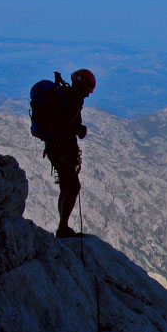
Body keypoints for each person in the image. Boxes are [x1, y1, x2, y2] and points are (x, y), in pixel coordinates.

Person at [44, 68, 96, 238]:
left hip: (56, 148)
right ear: (82, 87)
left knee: (67, 187)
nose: (88, 95)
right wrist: (79, 129)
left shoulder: (67, 96)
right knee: (73, 187)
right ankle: (63, 228)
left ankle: (62, 226)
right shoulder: (71, 99)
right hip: (61, 149)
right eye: (87, 90)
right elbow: (63, 125)